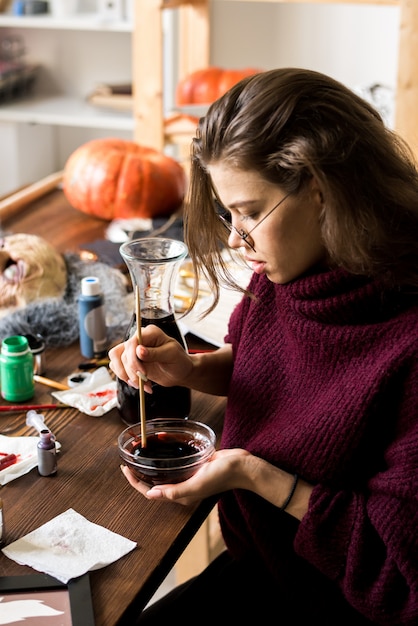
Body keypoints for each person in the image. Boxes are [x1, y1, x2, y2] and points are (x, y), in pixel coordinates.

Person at [108, 68, 418, 625]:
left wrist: (253, 476)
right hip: (267, 567)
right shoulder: (289, 268)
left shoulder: (409, 341)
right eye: (229, 214)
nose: (233, 237)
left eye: (250, 211)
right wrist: (189, 369)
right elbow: (274, 369)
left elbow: (400, 579)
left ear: (323, 191)